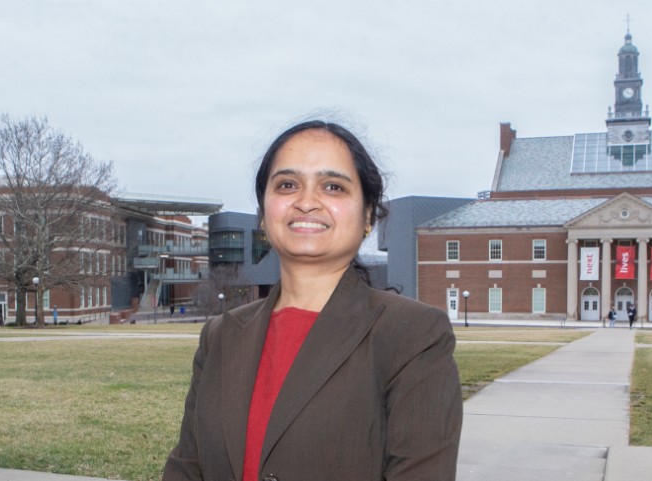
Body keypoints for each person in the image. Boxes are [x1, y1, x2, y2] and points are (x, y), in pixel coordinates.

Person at [163, 120, 462, 481]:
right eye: (287, 185)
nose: (306, 202)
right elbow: (186, 468)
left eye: (333, 187)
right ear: (263, 213)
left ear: (368, 216)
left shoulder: (413, 335)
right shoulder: (220, 336)